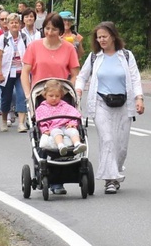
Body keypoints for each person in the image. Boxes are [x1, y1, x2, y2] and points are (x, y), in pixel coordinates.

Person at [76, 21, 144, 194]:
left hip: (123, 104)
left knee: (121, 145)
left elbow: (135, 78)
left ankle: (116, 171)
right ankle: (109, 180)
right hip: (101, 103)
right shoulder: (94, 57)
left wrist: (139, 98)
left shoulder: (126, 56)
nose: (101, 40)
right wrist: (78, 89)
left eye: (104, 36)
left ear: (113, 36)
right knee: (107, 140)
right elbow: (82, 77)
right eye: (99, 37)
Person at [21, 13, 80, 195]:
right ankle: (43, 171)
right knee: (41, 133)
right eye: (47, 28)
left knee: (66, 129)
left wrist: (74, 90)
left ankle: (63, 173)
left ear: (61, 30)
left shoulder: (69, 48)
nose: (50, 32)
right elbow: (25, 72)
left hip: (62, 95)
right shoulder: (34, 47)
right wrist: (28, 95)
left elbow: (75, 73)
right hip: (40, 95)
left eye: (54, 29)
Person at [0, 14, 28, 132]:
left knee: (22, 95)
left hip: (21, 72)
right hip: (7, 72)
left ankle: (21, 123)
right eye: (12, 23)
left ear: (20, 25)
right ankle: (4, 120)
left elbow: (29, 54)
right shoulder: (3, 38)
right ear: (7, 25)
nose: (14, 25)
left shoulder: (24, 37)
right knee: (6, 97)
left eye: (16, 23)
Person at [35, 79, 87, 156]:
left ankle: (77, 144)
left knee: (73, 131)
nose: (54, 98)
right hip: (53, 128)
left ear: (61, 96)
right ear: (45, 95)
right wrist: (45, 130)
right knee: (56, 132)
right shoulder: (42, 108)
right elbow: (41, 122)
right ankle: (61, 146)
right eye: (51, 96)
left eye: (57, 96)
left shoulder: (65, 106)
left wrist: (72, 123)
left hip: (66, 126)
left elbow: (74, 115)